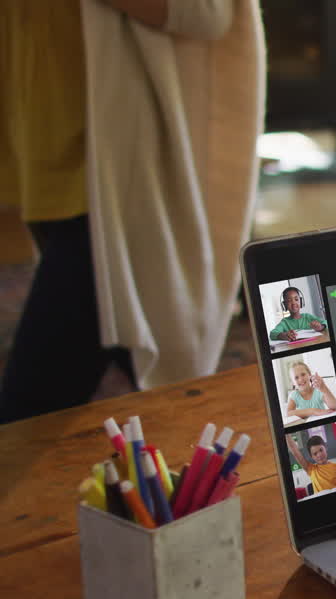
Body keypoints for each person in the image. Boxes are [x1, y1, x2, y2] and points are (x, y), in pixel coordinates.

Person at [0, 0, 265, 423]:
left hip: (116, 183)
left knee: (27, 410)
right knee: (138, 380)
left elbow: (208, 11)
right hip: (47, 161)